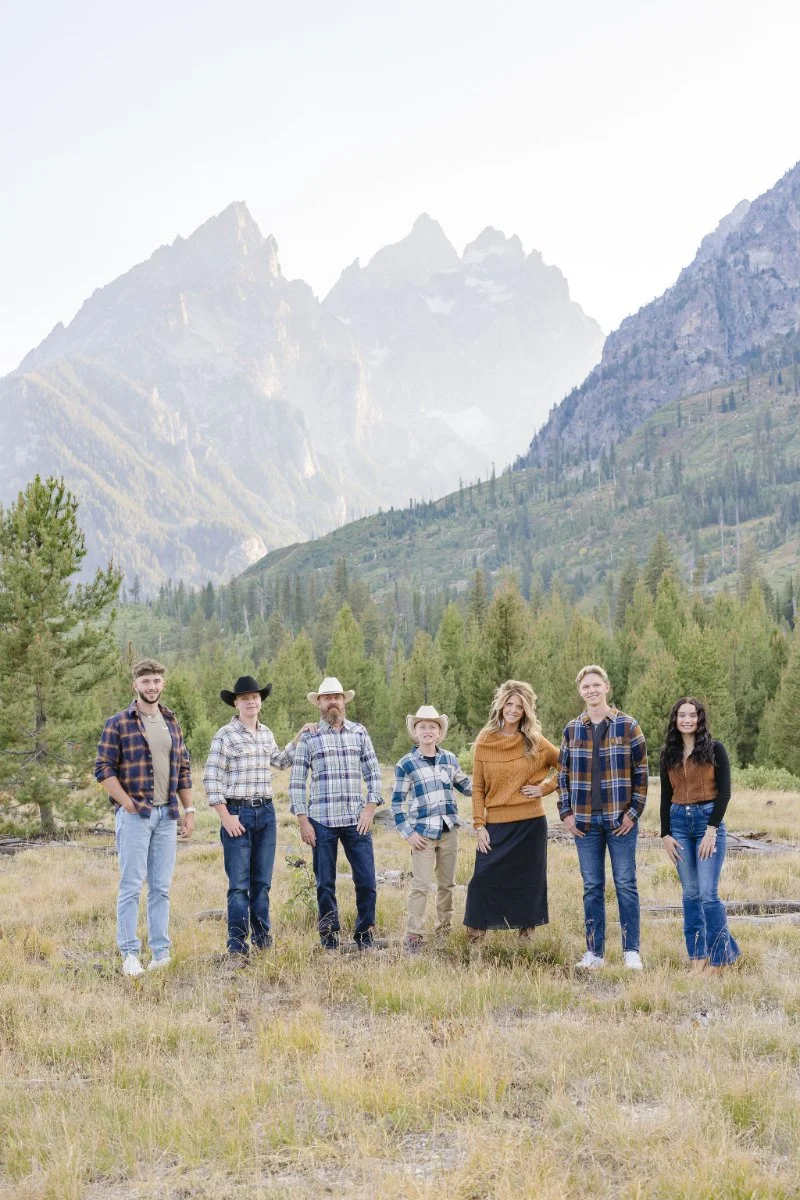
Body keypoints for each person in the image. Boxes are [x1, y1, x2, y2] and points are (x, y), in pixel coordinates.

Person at [203, 675, 314, 964]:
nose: (251, 701)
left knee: (262, 882)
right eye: (244, 698)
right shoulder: (225, 735)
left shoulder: (266, 733)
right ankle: (237, 946)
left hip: (265, 813)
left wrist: (299, 737)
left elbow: (278, 761)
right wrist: (226, 818)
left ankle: (263, 941)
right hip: (237, 813)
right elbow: (211, 779)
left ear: (260, 701)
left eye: (255, 697)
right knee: (239, 884)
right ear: (236, 703)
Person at [95, 658, 194, 977]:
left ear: (163, 684)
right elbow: (103, 769)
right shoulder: (119, 722)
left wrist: (188, 809)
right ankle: (129, 954)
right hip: (136, 815)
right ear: (135, 685)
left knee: (161, 887)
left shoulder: (171, 721)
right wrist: (126, 803)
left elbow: (183, 768)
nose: (152, 686)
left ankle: (161, 953)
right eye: (146, 681)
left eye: (156, 681)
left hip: (167, 815)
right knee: (131, 884)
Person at [557, 664, 648, 971]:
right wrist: (566, 813)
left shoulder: (628, 725)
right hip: (584, 823)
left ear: (606, 687)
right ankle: (594, 953)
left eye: (596, 685)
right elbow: (563, 774)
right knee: (592, 886)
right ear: (580, 691)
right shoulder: (573, 728)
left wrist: (633, 813)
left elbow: (642, 773)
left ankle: (631, 951)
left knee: (625, 883)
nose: (591, 690)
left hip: (620, 822)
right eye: (586, 687)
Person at [289, 677, 383, 951]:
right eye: (327, 697)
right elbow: (297, 781)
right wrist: (303, 821)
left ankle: (365, 936)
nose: (333, 701)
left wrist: (370, 807)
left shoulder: (359, 732)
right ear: (318, 703)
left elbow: (374, 773)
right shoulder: (309, 737)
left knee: (366, 881)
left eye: (337, 697)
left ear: (344, 701)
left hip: (357, 821)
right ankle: (329, 939)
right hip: (321, 822)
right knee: (325, 884)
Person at [463, 680, 559, 950]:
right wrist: (479, 825)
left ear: (526, 711)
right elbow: (478, 787)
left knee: (529, 880)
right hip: (495, 825)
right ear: (501, 706)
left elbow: (569, 765)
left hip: (531, 824)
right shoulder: (485, 740)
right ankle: (475, 940)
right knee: (483, 879)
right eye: (510, 704)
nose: (514, 710)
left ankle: (526, 939)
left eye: (520, 706)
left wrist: (545, 788)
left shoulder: (535, 741)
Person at [660, 697, 741, 972]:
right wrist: (665, 835)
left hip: (708, 821)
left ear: (699, 719)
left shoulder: (715, 749)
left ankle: (719, 960)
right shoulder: (668, 753)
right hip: (679, 823)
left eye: (692, 715)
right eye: (681, 715)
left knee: (708, 894)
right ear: (675, 719)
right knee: (690, 894)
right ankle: (697, 958)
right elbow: (665, 796)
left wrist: (712, 830)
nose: (686, 720)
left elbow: (725, 793)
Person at [392, 705, 472, 953]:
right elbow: (397, 802)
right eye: (422, 726)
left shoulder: (449, 759)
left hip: (449, 830)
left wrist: (489, 783)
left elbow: (466, 786)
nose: (427, 731)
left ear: (440, 732)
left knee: (447, 884)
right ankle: (414, 934)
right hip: (423, 834)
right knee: (421, 884)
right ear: (415, 733)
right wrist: (409, 833)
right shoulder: (406, 764)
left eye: (432, 727)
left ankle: (444, 929)